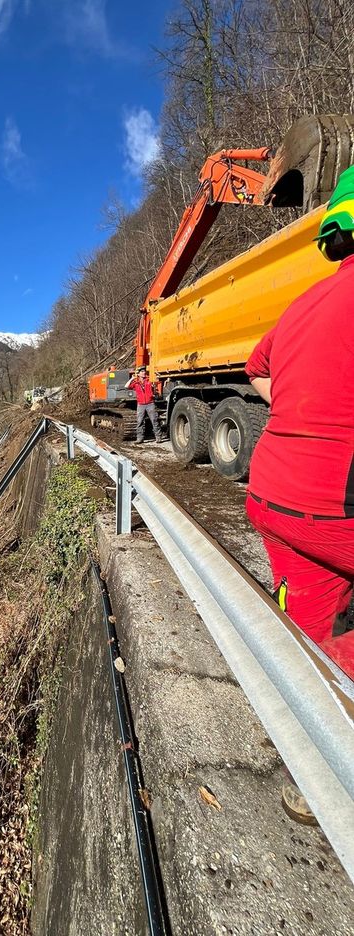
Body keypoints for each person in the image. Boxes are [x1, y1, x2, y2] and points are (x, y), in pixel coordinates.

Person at [245, 165, 354, 821]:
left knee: (312, 635)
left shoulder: (304, 302)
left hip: (274, 494)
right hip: (336, 507)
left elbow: (258, 371)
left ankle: (312, 776)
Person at [124, 366, 166, 442]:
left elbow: (158, 380)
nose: (144, 373)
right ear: (138, 374)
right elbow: (126, 386)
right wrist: (132, 378)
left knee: (154, 420)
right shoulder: (136, 383)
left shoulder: (149, 380)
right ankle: (140, 438)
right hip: (141, 405)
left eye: (144, 371)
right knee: (140, 421)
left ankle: (158, 437)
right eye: (142, 372)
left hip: (150, 404)